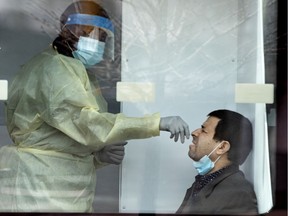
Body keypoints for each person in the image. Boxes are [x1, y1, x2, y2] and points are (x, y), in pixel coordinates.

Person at [0, 0, 190, 212]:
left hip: (59, 186)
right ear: (70, 32)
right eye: (95, 36)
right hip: (39, 186)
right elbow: (87, 123)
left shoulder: (73, 69)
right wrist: (156, 123)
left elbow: (60, 140)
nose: (99, 43)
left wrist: (97, 157)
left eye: (102, 39)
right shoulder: (54, 70)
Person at [176, 109, 258, 215]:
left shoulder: (237, 194)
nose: (194, 133)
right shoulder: (203, 182)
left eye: (204, 130)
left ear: (222, 147)